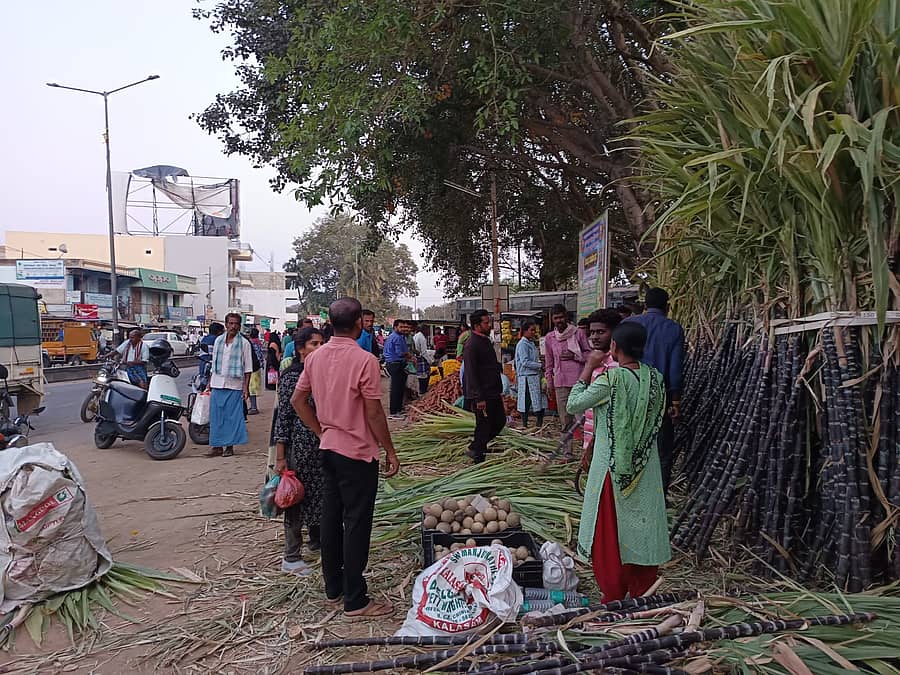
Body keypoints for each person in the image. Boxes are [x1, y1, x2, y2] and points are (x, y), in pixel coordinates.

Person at [292, 297, 400, 618]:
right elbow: (373, 411)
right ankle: (355, 599)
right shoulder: (364, 360)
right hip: (357, 453)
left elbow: (299, 401)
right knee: (355, 523)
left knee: (331, 519)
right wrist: (390, 450)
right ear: (357, 324)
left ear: (330, 325)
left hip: (329, 449)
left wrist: (321, 431)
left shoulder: (315, 357)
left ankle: (334, 588)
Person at [566, 322, 670, 602]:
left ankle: (614, 592)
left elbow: (573, 404)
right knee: (642, 526)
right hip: (645, 468)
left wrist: (588, 368)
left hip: (612, 468)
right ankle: (642, 589)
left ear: (614, 348)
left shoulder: (610, 381)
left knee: (611, 531)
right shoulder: (656, 379)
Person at [274, 327, 325, 575]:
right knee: (295, 499)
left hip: (321, 445)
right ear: (300, 349)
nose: (319, 348)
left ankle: (317, 542)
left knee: (319, 496)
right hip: (299, 447)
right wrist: (281, 456)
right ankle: (291, 556)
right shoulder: (292, 376)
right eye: (314, 344)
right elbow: (283, 418)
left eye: (322, 343)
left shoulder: (321, 374)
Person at [625, 288, 684, 492]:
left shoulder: (628, 324)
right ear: (667, 307)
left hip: (629, 393)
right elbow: (675, 369)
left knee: (629, 444)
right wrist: (675, 401)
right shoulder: (674, 329)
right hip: (659, 396)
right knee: (661, 450)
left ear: (644, 306)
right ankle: (658, 496)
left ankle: (629, 491)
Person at [544, 304, 591, 456]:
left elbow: (590, 355)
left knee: (583, 419)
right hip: (560, 383)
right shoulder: (550, 338)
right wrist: (549, 384)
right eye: (556, 318)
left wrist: (576, 356)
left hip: (579, 382)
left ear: (566, 316)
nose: (559, 320)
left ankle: (588, 452)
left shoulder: (578, 333)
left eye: (561, 317)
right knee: (565, 420)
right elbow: (549, 364)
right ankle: (567, 453)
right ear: (552, 319)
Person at [207, 313, 253, 458]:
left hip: (234, 385)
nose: (233, 326)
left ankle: (229, 446)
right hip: (217, 383)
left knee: (232, 417)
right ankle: (217, 446)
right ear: (226, 324)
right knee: (216, 417)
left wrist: (246, 388)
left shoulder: (244, 343)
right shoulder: (218, 341)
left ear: (240, 326)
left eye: (236, 324)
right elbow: (213, 364)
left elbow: (248, 368)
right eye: (231, 323)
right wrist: (209, 384)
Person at [462, 309, 505, 463]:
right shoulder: (471, 345)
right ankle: (478, 457)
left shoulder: (485, 341)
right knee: (483, 426)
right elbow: (471, 373)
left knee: (500, 421)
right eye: (486, 323)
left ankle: (476, 447)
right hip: (482, 395)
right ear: (476, 325)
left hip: (493, 391)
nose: (490, 326)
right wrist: (478, 397)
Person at [582, 309, 622, 455]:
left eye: (600, 332)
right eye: (592, 333)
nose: (594, 337)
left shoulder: (618, 365)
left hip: (608, 438)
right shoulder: (597, 359)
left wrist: (588, 366)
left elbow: (577, 402)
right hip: (592, 432)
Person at [514, 320, 544, 428]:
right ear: (525, 331)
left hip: (534, 376)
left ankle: (539, 423)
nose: (533, 332)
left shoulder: (530, 343)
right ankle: (525, 423)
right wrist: (539, 365)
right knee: (525, 402)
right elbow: (525, 361)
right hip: (526, 377)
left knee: (538, 401)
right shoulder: (522, 344)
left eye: (534, 330)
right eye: (531, 330)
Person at [383, 319, 411, 419]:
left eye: (405, 327)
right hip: (395, 364)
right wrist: (409, 356)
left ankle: (398, 410)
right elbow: (400, 353)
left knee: (400, 388)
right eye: (401, 327)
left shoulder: (399, 337)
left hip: (396, 364)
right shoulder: (397, 338)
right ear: (395, 327)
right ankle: (394, 412)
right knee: (396, 389)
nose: (403, 329)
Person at [247, 327, 266, 415]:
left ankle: (254, 407)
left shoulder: (250, 343)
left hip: (252, 367)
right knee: (252, 388)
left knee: (251, 388)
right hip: (257, 367)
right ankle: (253, 406)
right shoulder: (258, 342)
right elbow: (260, 355)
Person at [412, 323, 430, 395]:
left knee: (419, 376)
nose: (428, 332)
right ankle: (423, 391)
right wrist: (430, 361)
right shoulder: (422, 338)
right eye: (427, 330)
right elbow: (423, 352)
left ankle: (420, 390)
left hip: (416, 357)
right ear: (424, 330)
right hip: (421, 358)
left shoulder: (416, 335)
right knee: (424, 376)